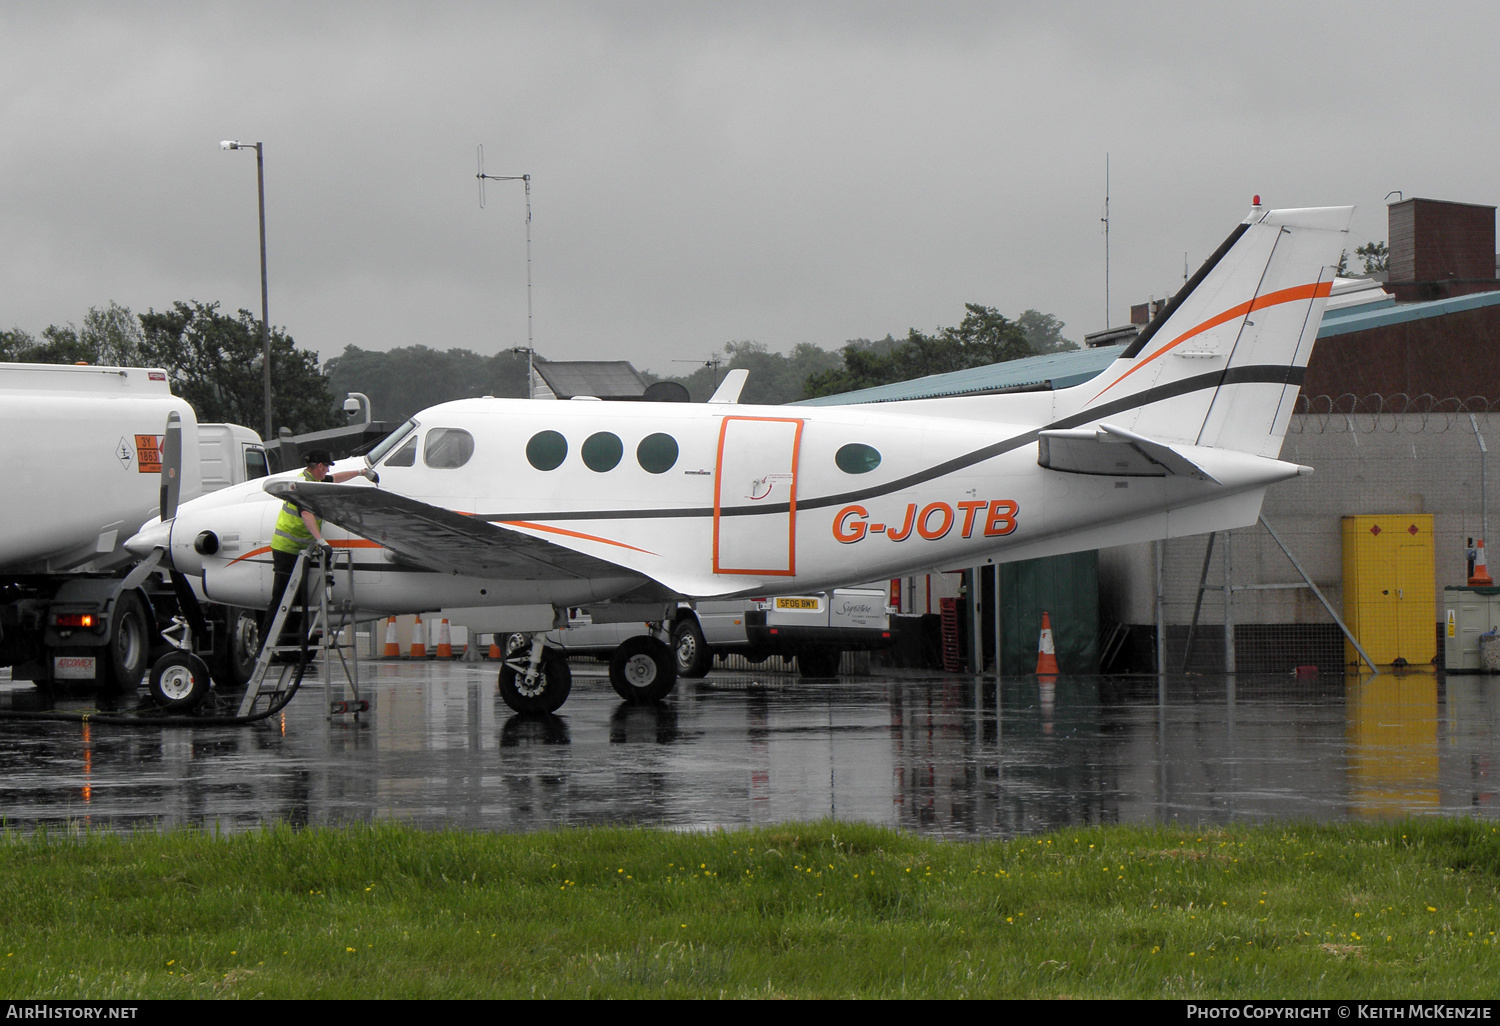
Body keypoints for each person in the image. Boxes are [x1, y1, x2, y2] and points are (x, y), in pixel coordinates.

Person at [260, 449, 374, 658]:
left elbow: (334, 479)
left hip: (299, 550)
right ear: (319, 466)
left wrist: (359, 472)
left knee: (297, 600)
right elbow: (306, 513)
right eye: (327, 466)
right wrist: (321, 542)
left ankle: (289, 648)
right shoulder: (303, 486)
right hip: (286, 549)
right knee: (281, 600)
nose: (329, 469)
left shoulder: (314, 481)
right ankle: (265, 648)